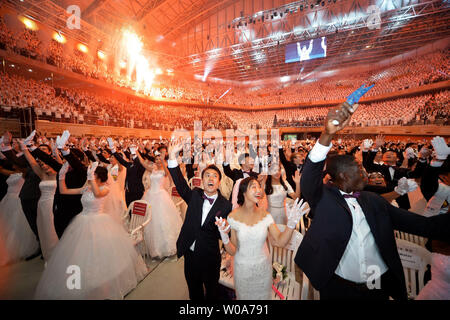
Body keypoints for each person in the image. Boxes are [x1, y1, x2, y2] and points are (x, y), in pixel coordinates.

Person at [294, 87, 450, 300]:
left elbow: (423, 226)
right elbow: (309, 176)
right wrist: (328, 133)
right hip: (337, 286)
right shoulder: (324, 198)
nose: (364, 172)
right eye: (358, 169)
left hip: (376, 286)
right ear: (342, 175)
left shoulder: (373, 201)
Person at [34, 162, 147, 299]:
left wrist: (91, 178)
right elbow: (65, 191)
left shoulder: (106, 188)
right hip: (82, 221)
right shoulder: (86, 187)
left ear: (98, 177)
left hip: (99, 222)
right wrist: (61, 176)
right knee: (81, 254)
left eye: (92, 175)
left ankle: (102, 284)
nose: (89, 178)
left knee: (100, 255)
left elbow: (98, 194)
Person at [217, 176, 308, 299]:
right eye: (253, 187)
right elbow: (233, 250)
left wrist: (291, 224)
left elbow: (280, 242)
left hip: (263, 270)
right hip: (242, 271)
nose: (258, 190)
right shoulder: (233, 217)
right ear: (244, 192)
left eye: (259, 186)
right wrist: (225, 238)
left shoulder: (266, 216)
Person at [167, 139, 232, 300]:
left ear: (219, 181)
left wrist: (225, 230)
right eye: (207, 176)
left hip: (210, 257)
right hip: (190, 254)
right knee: (194, 291)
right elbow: (180, 184)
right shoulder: (195, 194)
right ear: (202, 180)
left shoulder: (225, 205)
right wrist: (172, 157)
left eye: (214, 176)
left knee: (211, 292)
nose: (210, 179)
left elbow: (223, 236)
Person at [136, 151, 182, 259]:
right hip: (150, 195)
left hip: (161, 196)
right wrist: (137, 152)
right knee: (151, 222)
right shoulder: (152, 169)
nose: (157, 161)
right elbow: (143, 163)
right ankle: (153, 248)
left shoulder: (163, 171)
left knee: (162, 221)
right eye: (156, 159)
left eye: (158, 159)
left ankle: (165, 247)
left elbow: (167, 173)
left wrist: (162, 160)